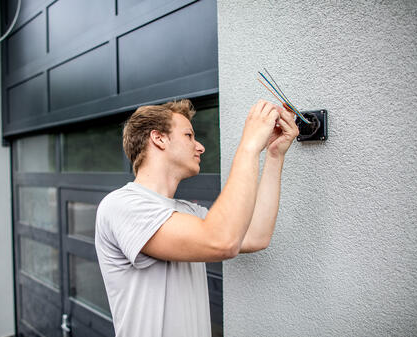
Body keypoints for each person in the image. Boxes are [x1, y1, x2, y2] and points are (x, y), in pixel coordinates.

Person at [95, 99, 299, 337]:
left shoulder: (188, 213)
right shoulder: (122, 206)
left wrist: (274, 155)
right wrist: (249, 145)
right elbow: (221, 241)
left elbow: (256, 236)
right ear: (158, 138)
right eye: (189, 136)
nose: (200, 146)